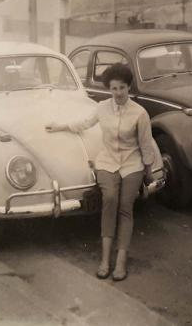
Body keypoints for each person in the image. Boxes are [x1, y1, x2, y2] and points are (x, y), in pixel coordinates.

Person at [45, 63, 155, 281]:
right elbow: (83, 124)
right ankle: (105, 259)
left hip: (132, 164)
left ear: (128, 87)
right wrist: (59, 126)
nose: (118, 93)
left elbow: (146, 145)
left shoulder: (140, 113)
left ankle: (121, 261)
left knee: (125, 207)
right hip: (107, 162)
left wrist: (148, 172)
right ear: (109, 89)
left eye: (122, 88)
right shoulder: (102, 107)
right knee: (110, 199)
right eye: (114, 89)